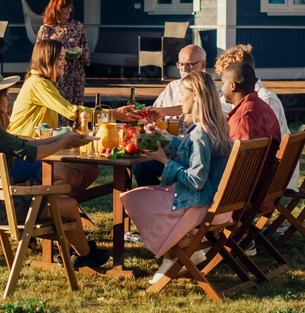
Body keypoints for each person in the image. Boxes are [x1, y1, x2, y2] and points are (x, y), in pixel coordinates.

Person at [0, 66, 111, 269]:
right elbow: (31, 155)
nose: (8, 98)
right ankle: (84, 255)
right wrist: (64, 141)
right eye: (4, 94)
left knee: (62, 201)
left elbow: (25, 145)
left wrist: (63, 138)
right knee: (68, 205)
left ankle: (77, 253)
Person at [119, 71, 233, 284]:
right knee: (144, 195)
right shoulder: (216, 126)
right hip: (219, 204)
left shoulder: (200, 132)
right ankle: (184, 249)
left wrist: (165, 162)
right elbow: (188, 148)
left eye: (182, 94)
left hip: (200, 205)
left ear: (196, 95)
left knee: (134, 199)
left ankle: (176, 253)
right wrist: (163, 136)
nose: (179, 99)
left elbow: (196, 181)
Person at [8, 39, 140, 192]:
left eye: (64, 57)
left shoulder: (43, 82)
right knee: (75, 174)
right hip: (24, 152)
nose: (65, 62)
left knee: (90, 169)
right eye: (60, 58)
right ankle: (51, 208)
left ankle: (64, 207)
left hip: (40, 147)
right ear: (46, 60)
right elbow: (72, 112)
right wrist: (113, 113)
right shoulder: (37, 83)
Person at [214, 44, 297, 191]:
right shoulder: (249, 98)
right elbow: (215, 106)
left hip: (269, 181)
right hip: (260, 177)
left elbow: (251, 154)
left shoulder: (265, 100)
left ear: (235, 80)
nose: (222, 87)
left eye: (224, 80)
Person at [132, 44, 212, 188]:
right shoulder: (172, 87)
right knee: (140, 167)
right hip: (170, 149)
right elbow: (154, 114)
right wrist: (150, 123)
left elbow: (202, 108)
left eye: (189, 64)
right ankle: (159, 198)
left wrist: (164, 112)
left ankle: (162, 200)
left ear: (203, 64)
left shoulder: (211, 90)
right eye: (180, 64)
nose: (183, 69)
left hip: (188, 158)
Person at [221, 62, 283, 214]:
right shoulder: (261, 106)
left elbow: (237, 167)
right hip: (265, 191)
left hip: (244, 197)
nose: (221, 88)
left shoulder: (243, 119)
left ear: (232, 86)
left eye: (223, 83)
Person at [37, 0, 90, 129]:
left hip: (76, 73)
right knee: (60, 107)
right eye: (65, 8)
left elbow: (85, 49)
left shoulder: (78, 26)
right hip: (57, 74)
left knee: (77, 108)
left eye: (70, 7)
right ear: (56, 9)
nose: (69, 11)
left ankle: (77, 136)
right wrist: (60, 54)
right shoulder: (46, 30)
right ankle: (60, 137)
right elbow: (41, 54)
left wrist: (79, 53)